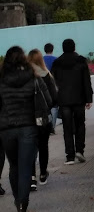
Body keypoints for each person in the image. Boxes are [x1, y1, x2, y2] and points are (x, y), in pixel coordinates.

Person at [0, 46, 52, 212]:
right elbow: (49, 100)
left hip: (6, 129)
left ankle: (18, 198)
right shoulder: (33, 77)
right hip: (28, 128)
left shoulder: (1, 80)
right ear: (23, 59)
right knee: (25, 166)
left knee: (14, 166)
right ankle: (22, 202)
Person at [51, 39, 92, 165]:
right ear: (74, 47)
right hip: (79, 99)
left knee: (67, 127)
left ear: (63, 48)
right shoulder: (81, 61)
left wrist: (55, 99)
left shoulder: (57, 63)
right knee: (80, 124)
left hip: (64, 101)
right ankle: (80, 150)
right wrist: (88, 98)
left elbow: (53, 83)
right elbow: (86, 81)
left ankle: (70, 156)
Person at [27, 49, 58, 190]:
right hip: (42, 117)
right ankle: (43, 174)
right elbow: (52, 98)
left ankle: (31, 177)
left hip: (26, 118)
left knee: (29, 147)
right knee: (43, 145)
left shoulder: (24, 77)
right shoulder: (45, 75)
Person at [42, 43, 58, 135]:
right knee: (54, 107)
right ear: (52, 49)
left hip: (43, 86)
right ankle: (52, 127)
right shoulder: (56, 60)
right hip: (54, 86)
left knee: (46, 107)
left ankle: (47, 127)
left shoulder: (42, 60)